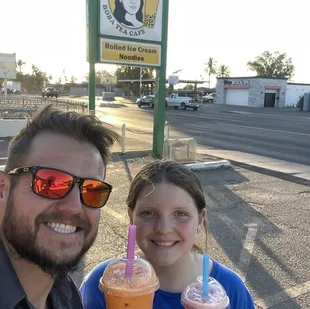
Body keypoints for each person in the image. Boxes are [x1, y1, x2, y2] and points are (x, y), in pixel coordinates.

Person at [80, 160, 255, 309]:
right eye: (148, 213)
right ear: (131, 217)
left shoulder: (231, 289)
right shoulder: (103, 283)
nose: (164, 229)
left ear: (201, 220)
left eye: (180, 214)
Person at [0, 104, 119, 309]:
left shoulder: (67, 295)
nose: (74, 207)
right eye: (50, 182)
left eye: (92, 190)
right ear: (3, 189)